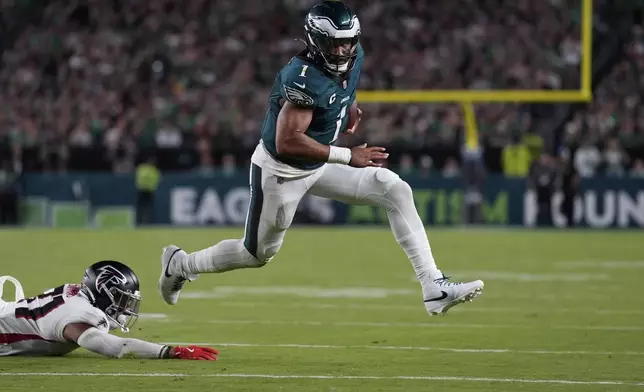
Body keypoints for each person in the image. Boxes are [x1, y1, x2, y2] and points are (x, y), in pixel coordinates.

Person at [159, 1, 483, 316]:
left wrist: (350, 107)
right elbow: (288, 142)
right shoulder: (303, 77)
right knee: (256, 254)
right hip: (282, 170)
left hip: (317, 164)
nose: (343, 51)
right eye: (334, 44)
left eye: (347, 43)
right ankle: (180, 265)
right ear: (316, 41)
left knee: (393, 188)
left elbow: (346, 87)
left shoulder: (353, 58)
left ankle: (433, 286)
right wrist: (348, 155)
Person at [0, 260, 217, 360]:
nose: (125, 307)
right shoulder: (78, 315)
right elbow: (117, 347)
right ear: (104, 292)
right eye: (122, 299)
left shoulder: (78, 294)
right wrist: (171, 351)